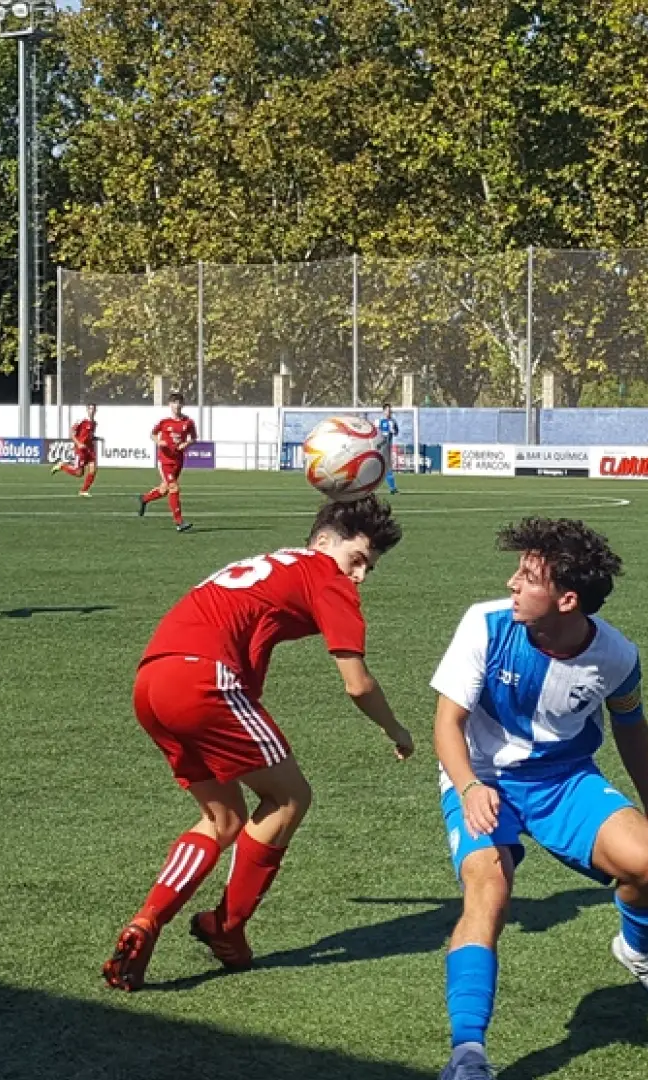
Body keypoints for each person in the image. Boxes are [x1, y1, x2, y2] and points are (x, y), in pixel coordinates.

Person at [103, 498, 414, 992]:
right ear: (324, 542)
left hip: (151, 679)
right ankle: (226, 928)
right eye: (357, 560)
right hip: (204, 679)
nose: (359, 577)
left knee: (220, 818)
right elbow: (357, 684)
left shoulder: (270, 563)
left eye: (369, 570)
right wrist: (396, 730)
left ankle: (147, 920)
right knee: (290, 798)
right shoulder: (324, 574)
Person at [433, 517, 648, 1080]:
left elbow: (630, 723)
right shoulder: (484, 624)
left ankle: (638, 954)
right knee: (490, 887)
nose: (511, 583)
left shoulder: (617, 656)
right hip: (479, 775)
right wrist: (469, 787)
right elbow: (447, 724)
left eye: (528, 577)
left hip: (562, 779)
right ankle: (468, 1056)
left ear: (567, 599)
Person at [140, 392, 198, 532]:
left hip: (178, 460)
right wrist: (159, 441)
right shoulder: (164, 422)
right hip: (165, 460)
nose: (176, 406)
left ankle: (144, 499)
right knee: (174, 488)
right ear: (169, 405)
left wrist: (186, 444)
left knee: (164, 490)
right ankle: (179, 522)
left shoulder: (188, 422)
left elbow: (194, 438)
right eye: (174, 403)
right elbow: (152, 434)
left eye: (179, 403)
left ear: (183, 405)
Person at [51, 403, 100, 496]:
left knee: (93, 469)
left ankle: (83, 491)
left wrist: (96, 438)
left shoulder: (94, 423)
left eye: (93, 409)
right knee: (79, 473)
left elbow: (90, 436)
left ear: (96, 411)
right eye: (90, 409)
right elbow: (71, 433)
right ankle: (62, 466)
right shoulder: (81, 420)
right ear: (87, 410)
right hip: (81, 450)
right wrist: (78, 443)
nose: (92, 411)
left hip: (90, 449)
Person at [378, 404, 402, 494]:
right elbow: (375, 433)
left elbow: (396, 433)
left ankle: (392, 488)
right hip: (379, 448)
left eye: (390, 410)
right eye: (387, 410)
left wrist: (393, 430)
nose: (389, 412)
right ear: (384, 411)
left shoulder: (393, 421)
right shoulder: (379, 421)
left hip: (387, 448)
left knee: (388, 468)